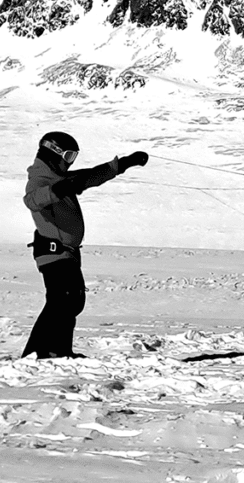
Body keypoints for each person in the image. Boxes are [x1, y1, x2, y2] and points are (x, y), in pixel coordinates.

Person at [21, 131, 148, 359]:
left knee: (72, 300)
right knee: (64, 298)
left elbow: (91, 176)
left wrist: (124, 163)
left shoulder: (59, 179)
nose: (70, 163)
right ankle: (47, 351)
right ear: (53, 152)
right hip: (53, 251)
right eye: (68, 156)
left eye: (73, 157)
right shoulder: (41, 179)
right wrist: (59, 190)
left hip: (67, 253)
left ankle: (50, 351)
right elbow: (32, 200)